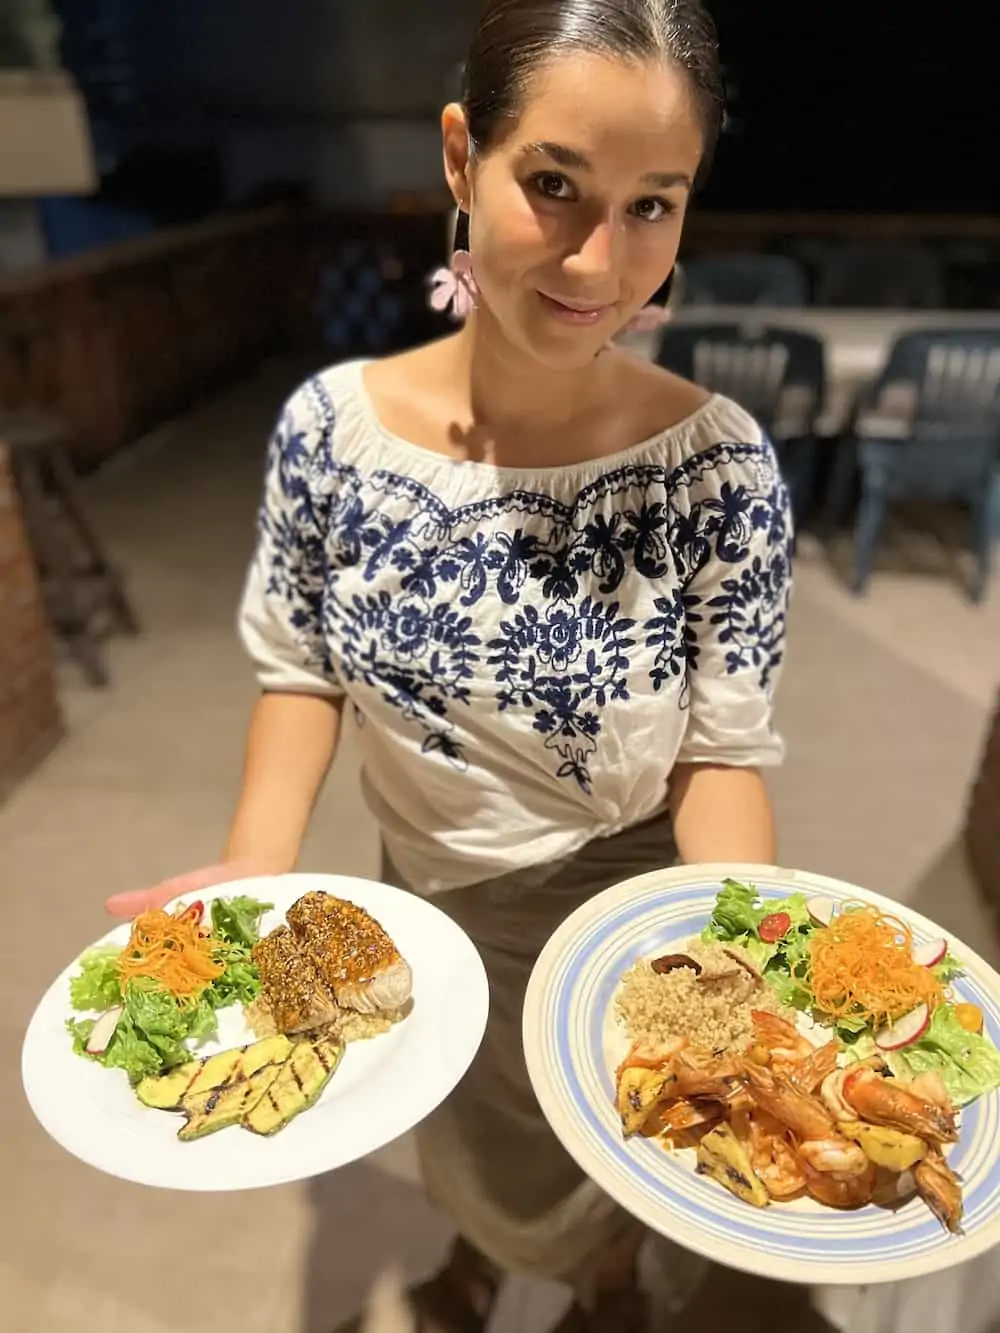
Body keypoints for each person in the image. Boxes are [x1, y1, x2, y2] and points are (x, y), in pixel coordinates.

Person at [108, 1, 792, 1329]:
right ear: (457, 158)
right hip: (421, 888)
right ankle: (477, 1261)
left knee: (616, 1143)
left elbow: (722, 748)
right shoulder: (331, 429)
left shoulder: (717, 466)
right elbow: (298, 666)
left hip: (623, 901)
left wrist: (742, 939)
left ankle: (604, 1289)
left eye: (655, 204)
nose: (602, 259)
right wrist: (261, 862)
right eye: (553, 185)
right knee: (459, 1127)